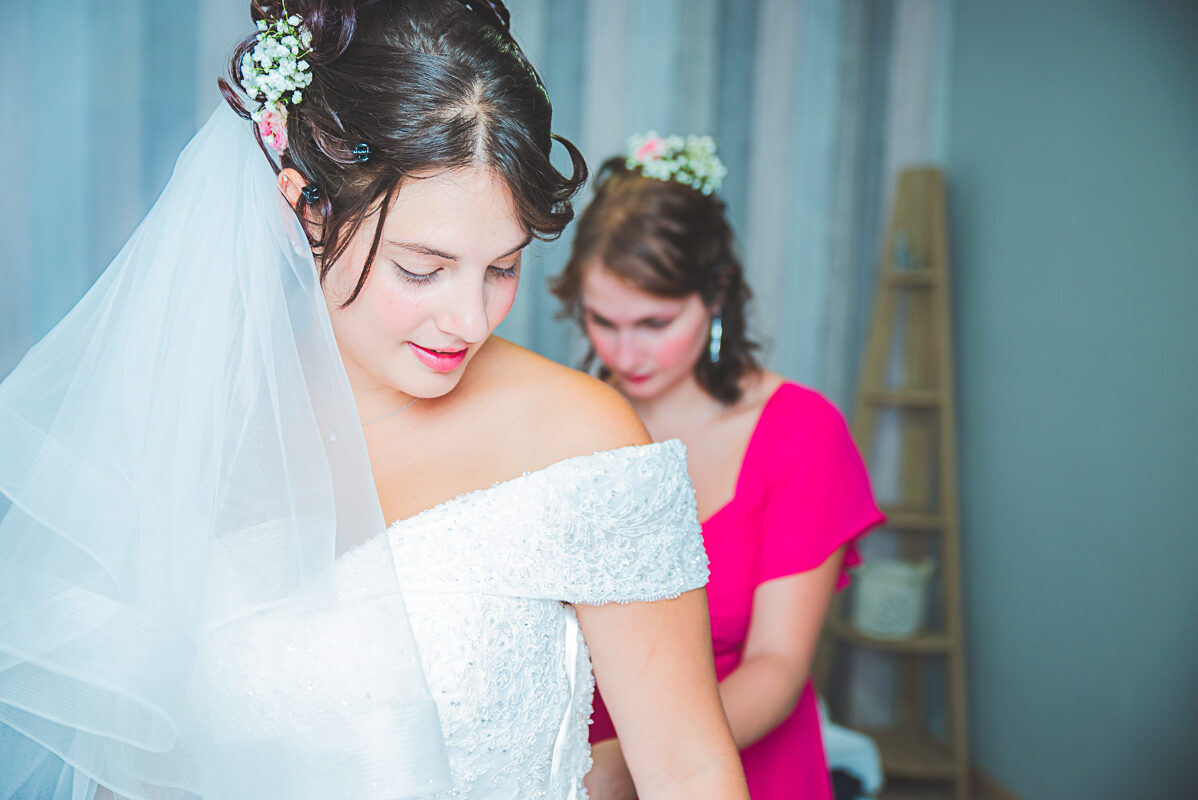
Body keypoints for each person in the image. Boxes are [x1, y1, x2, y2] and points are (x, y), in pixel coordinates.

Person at [0, 6, 748, 799]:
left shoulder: (581, 439)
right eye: (423, 269)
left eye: (501, 267)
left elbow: (689, 769)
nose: (470, 319)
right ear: (303, 207)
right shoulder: (192, 428)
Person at [551, 133, 885, 800]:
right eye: (601, 321)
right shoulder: (567, 422)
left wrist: (639, 760)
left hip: (736, 759)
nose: (626, 351)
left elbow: (778, 664)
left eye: (655, 322)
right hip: (581, 766)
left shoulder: (800, 432)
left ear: (716, 295)